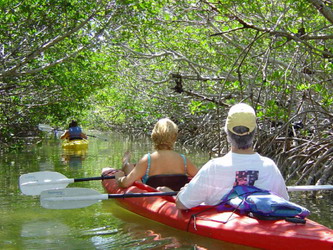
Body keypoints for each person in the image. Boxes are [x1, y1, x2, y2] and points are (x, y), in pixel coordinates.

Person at [176, 103, 289, 210]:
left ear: (227, 132)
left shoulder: (214, 167)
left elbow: (182, 204)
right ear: (254, 132)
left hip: (221, 226)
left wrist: (183, 191)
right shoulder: (270, 166)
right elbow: (284, 201)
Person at [114, 118, 198, 191]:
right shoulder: (183, 160)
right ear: (174, 137)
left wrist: (119, 177)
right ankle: (126, 162)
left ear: (154, 136)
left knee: (129, 167)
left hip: (154, 196)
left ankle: (125, 162)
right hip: (175, 195)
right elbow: (202, 178)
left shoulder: (148, 159)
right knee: (130, 167)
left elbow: (125, 184)